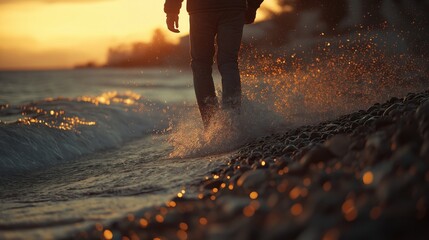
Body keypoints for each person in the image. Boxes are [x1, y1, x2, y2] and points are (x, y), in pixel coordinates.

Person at [164, 0, 264, 129]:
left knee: (201, 65)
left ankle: (212, 127)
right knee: (229, 62)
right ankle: (232, 123)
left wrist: (172, 10)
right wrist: (252, 6)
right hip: (232, 8)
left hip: (201, 9)